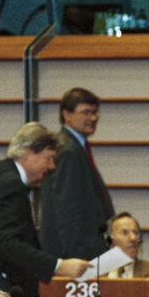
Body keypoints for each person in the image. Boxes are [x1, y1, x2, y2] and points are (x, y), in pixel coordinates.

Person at [0, 122, 91, 297]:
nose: (52, 166)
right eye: (48, 158)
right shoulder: (10, 184)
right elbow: (8, 244)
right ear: (28, 152)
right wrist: (59, 266)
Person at [40, 87, 115, 260]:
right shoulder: (68, 150)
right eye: (86, 112)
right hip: (75, 253)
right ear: (66, 115)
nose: (93, 118)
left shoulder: (73, 147)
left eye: (95, 112)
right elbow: (67, 210)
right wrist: (73, 257)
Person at [106, 212, 149, 278]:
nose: (133, 238)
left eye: (135, 233)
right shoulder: (96, 273)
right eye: (124, 233)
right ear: (110, 241)